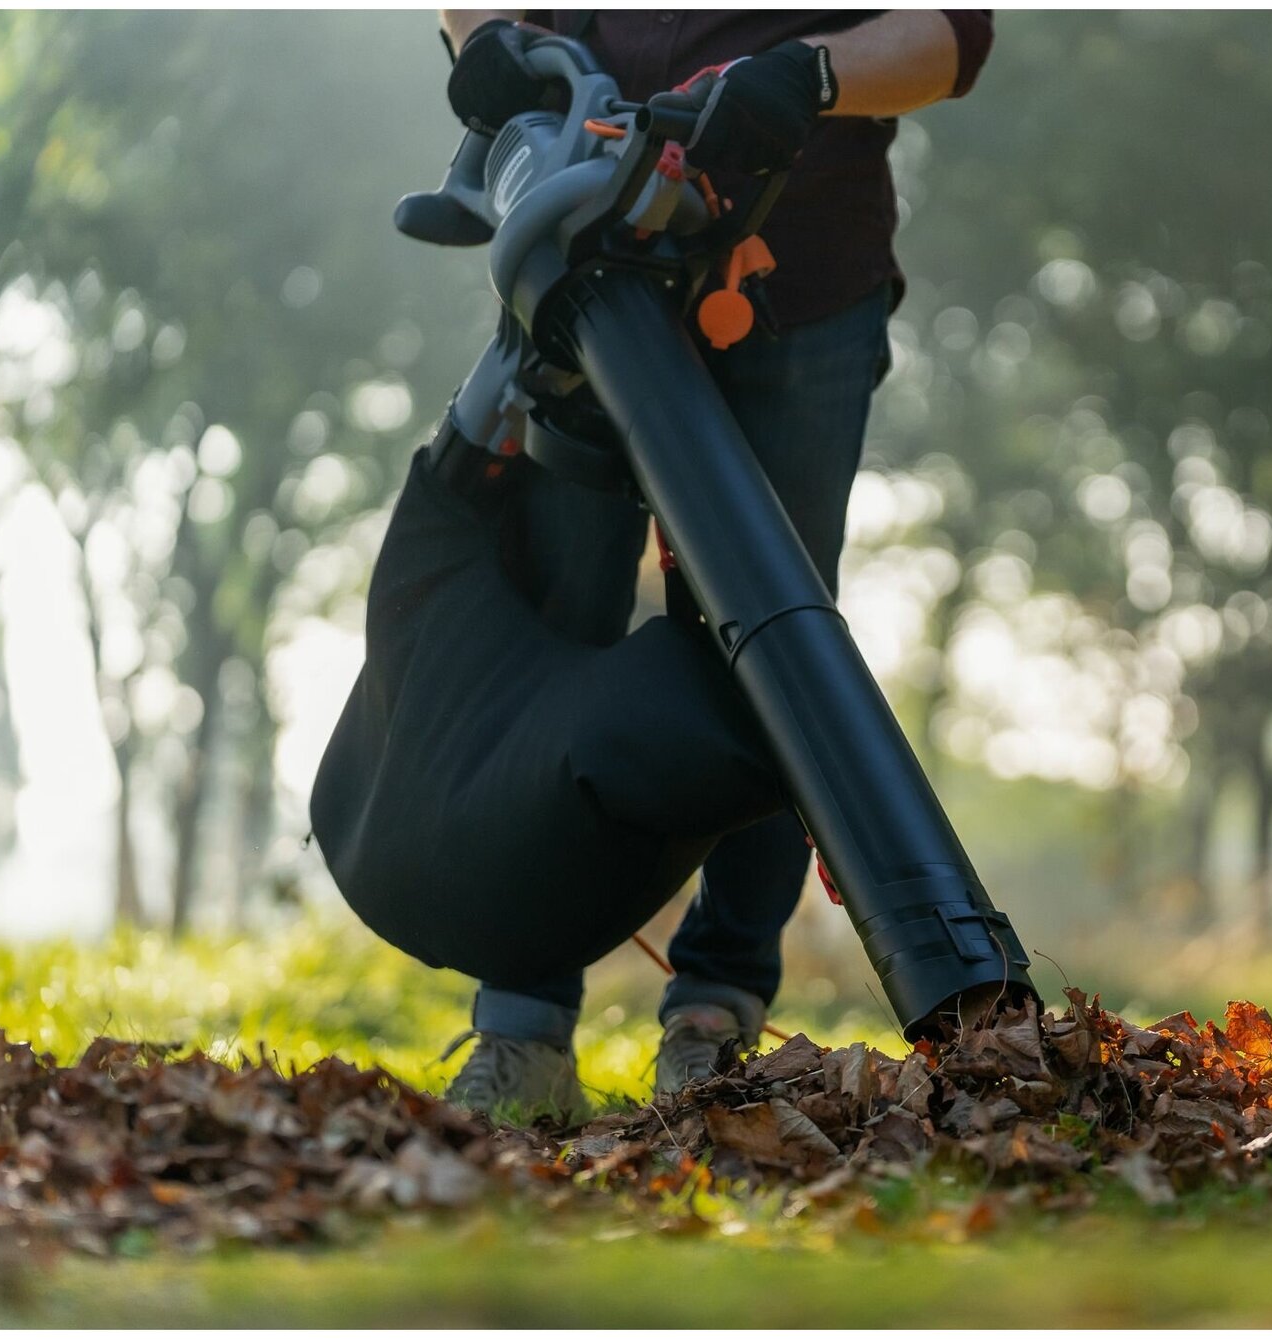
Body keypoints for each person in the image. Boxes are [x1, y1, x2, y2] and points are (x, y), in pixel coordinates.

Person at [423, 10, 995, 1119]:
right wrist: (486, 31)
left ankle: (714, 1016)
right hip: (584, 244)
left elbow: (950, 33)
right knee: (556, 622)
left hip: (797, 282)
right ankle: (523, 1022)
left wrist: (811, 73)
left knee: (769, 648)